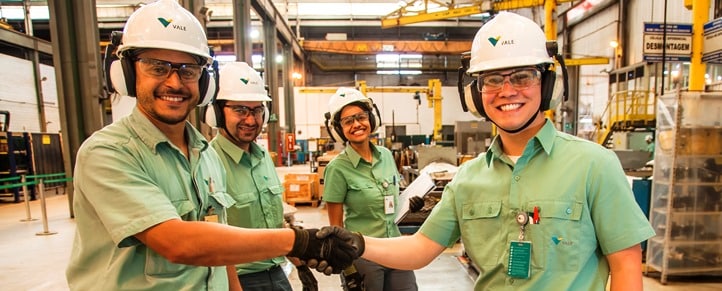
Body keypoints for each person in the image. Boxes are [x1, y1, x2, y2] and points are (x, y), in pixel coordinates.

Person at [321, 12, 656, 291]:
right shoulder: (468, 178)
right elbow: (420, 248)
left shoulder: (594, 165)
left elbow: (626, 266)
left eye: (523, 77)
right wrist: (354, 242)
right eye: (492, 79)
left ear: (548, 84)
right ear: (476, 95)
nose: (507, 91)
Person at [66, 1, 357, 290]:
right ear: (126, 73)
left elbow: (219, 245)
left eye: (188, 70)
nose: (174, 82)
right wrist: (300, 241)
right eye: (157, 67)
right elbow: (176, 242)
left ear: (204, 82)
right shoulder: (108, 153)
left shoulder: (205, 157)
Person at [205, 61, 317, 291]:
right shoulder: (208, 162)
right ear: (216, 111)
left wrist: (300, 264)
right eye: (240, 110)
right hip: (240, 280)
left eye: (257, 110)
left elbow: (274, 222)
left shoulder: (264, 157)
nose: (251, 120)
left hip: (277, 273)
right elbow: (213, 242)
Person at [322, 87, 422, 290]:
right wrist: (348, 270)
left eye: (361, 117)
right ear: (339, 129)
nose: (357, 124)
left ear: (371, 119)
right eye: (348, 121)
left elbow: (391, 199)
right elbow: (336, 228)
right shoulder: (337, 169)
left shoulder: (385, 155)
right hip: (364, 256)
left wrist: (409, 204)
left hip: (396, 249)